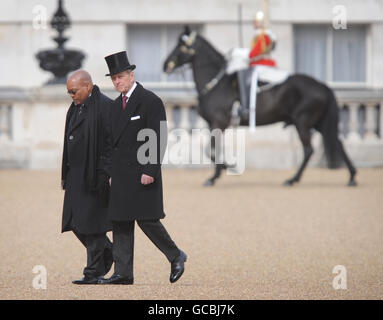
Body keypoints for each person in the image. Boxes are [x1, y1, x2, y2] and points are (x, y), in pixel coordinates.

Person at [99, 51, 187, 285]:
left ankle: (176, 255)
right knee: (120, 222)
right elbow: (109, 143)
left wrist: (150, 170)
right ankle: (123, 273)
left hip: (142, 173)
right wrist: (109, 173)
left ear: (131, 75)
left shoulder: (150, 101)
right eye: (113, 78)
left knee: (147, 220)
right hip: (119, 175)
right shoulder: (115, 106)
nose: (117, 81)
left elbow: (158, 138)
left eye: (120, 77)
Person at [61, 70, 113, 284]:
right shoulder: (75, 106)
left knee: (92, 225)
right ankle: (108, 252)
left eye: (74, 91)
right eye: (69, 92)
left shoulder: (105, 106)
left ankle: (92, 273)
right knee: (73, 221)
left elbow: (112, 143)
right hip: (75, 174)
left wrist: (105, 173)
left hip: (94, 174)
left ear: (88, 86)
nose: (71, 95)